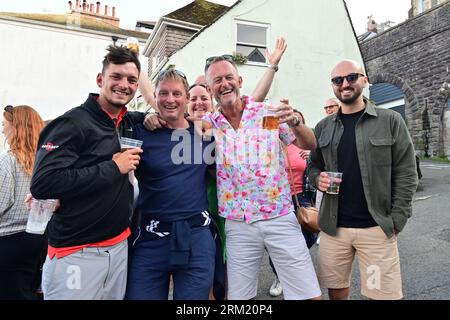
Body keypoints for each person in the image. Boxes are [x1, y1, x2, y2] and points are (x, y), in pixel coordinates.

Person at [203, 55, 322, 300]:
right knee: (239, 298)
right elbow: (172, 122)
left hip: (279, 215)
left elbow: (309, 144)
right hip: (238, 222)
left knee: (309, 295)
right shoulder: (208, 124)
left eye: (228, 77)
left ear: (239, 80)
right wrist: (151, 118)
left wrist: (296, 122)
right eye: (217, 80)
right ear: (210, 88)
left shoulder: (266, 113)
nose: (224, 84)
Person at [30, 45, 144, 300]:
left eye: (131, 80)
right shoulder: (72, 123)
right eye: (116, 77)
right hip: (76, 253)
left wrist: (149, 119)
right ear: (100, 80)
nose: (124, 85)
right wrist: (113, 167)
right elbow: (43, 183)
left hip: (117, 248)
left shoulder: (124, 121)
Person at [308, 59, 418, 300]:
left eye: (351, 77)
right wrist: (318, 180)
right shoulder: (323, 126)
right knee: (336, 290)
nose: (344, 84)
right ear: (333, 86)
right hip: (333, 229)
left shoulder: (389, 120)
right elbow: (313, 167)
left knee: (379, 294)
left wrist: (398, 218)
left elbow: (407, 172)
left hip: (375, 229)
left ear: (364, 80)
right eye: (338, 80)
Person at [125, 69, 216, 300]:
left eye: (176, 93)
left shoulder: (205, 134)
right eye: (163, 93)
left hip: (196, 237)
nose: (170, 99)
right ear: (154, 97)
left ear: (186, 97)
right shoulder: (141, 131)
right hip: (151, 238)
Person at [268, 109, 318, 297]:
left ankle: (295, 266)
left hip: (301, 197)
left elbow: (320, 167)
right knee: (276, 244)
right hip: (278, 199)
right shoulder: (274, 142)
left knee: (308, 236)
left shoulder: (305, 146)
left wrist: (311, 156)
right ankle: (280, 275)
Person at [0, 105, 46, 300]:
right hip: (38, 239)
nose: (3, 130)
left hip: (8, 242)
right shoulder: (45, 161)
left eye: (4, 125)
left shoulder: (7, 161)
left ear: (17, 127)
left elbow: (2, 203)